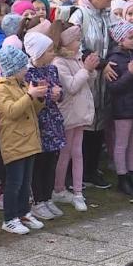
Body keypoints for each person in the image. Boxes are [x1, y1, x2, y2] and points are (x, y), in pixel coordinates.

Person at [54, 0, 118, 189]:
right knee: (83, 122)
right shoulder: (79, 15)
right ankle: (74, 174)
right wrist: (100, 65)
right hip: (84, 73)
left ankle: (91, 169)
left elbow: (113, 39)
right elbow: (76, 46)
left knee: (99, 120)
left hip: (102, 76)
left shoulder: (105, 15)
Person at [0, 45, 47, 234]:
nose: (26, 70)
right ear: (13, 68)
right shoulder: (1, 89)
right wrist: (29, 95)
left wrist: (39, 98)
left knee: (26, 181)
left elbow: (32, 110)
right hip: (14, 141)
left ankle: (24, 212)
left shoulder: (22, 84)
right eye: (22, 67)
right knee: (14, 182)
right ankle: (9, 218)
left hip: (29, 141)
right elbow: (12, 111)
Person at [53, 25, 97, 209]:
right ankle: (58, 188)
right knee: (65, 153)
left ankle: (78, 191)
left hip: (80, 112)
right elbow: (71, 86)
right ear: (67, 42)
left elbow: (88, 81)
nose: (80, 43)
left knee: (77, 152)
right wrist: (85, 70)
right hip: (69, 113)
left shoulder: (77, 58)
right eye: (77, 40)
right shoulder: (59, 62)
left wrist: (90, 70)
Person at [23, 30, 65, 220]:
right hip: (39, 122)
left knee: (51, 161)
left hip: (53, 120)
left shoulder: (52, 69)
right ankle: (38, 200)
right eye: (48, 51)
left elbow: (59, 91)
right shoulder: (28, 73)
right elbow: (32, 96)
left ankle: (47, 197)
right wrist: (50, 95)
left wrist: (59, 94)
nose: (53, 53)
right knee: (39, 163)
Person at [104, 22, 133, 197]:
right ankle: (122, 178)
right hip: (122, 108)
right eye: (130, 38)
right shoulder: (114, 59)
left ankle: (132, 174)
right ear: (120, 40)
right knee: (122, 144)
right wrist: (130, 75)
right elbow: (113, 87)